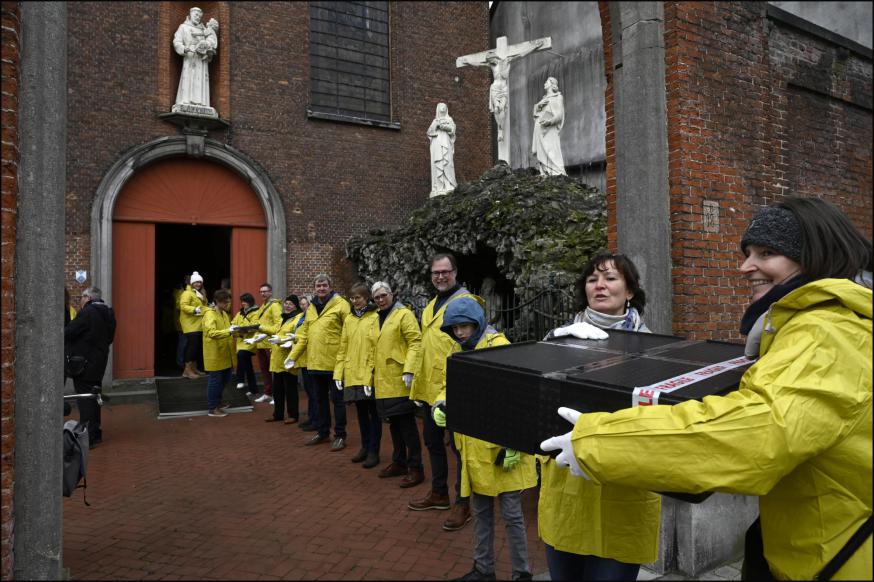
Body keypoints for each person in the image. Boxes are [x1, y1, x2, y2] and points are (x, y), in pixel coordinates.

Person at [542, 197, 873, 581]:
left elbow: (758, 433)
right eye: (747, 253)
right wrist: (551, 348)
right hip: (814, 537)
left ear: (816, 256)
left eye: (767, 253)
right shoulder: (821, 323)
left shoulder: (826, 330)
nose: (745, 266)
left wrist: (599, 440)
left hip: (837, 553)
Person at [539, 252, 657, 581]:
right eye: (592, 279)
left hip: (621, 489)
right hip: (568, 487)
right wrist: (551, 349)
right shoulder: (559, 337)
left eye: (610, 278)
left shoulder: (654, 348)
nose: (600, 286)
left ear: (630, 290)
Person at [434, 296, 536, 581]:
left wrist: (514, 443)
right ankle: (483, 569)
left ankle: (522, 574)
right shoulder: (459, 353)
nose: (459, 333)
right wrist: (440, 404)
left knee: (513, 515)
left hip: (502, 449)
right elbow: (448, 386)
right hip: (475, 448)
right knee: (480, 510)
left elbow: (517, 399)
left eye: (464, 326)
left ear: (476, 322)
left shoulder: (499, 348)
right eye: (454, 328)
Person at [408, 253, 477, 531]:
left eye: (445, 272)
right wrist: (414, 377)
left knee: (459, 448)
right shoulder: (430, 306)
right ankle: (439, 493)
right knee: (433, 443)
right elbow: (426, 346)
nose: (440, 276)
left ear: (455, 272)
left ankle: (463, 503)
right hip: (429, 388)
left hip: (453, 389)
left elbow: (472, 345)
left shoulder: (467, 303)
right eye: (436, 272)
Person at [286, 274, 351, 450]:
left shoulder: (341, 305)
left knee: (338, 401)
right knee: (319, 400)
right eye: (318, 286)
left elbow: (350, 331)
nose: (321, 288)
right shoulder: (312, 307)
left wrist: (347, 360)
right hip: (314, 363)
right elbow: (304, 334)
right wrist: (293, 356)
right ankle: (323, 432)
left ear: (330, 286)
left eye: (324, 285)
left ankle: (340, 435)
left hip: (334, 363)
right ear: (314, 288)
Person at [370, 281, 424, 484]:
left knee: (407, 425)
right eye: (377, 297)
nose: (381, 300)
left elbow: (415, 342)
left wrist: (410, 369)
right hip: (383, 380)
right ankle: (399, 461)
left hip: (400, 379)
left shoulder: (404, 315)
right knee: (393, 424)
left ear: (392, 295)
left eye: (384, 295)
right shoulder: (376, 318)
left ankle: (416, 467)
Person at [334, 282, 380, 467]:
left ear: (366, 297)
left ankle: (373, 451)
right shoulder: (349, 319)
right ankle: (365, 446)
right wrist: (339, 373)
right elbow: (343, 347)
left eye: (358, 298)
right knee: (361, 413)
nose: (354, 302)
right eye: (352, 298)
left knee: (374, 414)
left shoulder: (376, 317)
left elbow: (376, 346)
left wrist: (371, 372)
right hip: (353, 373)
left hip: (370, 373)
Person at [64, 286, 116, 448]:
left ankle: (88, 437)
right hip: (99, 363)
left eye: (81, 297)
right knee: (94, 397)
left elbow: (69, 332)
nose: (80, 300)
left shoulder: (87, 313)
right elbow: (109, 337)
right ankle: (95, 432)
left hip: (84, 364)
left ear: (88, 298)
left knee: (85, 399)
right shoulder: (109, 313)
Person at [262, 294, 303, 424]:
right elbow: (275, 330)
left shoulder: (298, 318)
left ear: (295, 306)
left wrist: (280, 340)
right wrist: (260, 328)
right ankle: (277, 414)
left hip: (288, 359)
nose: (287, 305)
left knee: (290, 389)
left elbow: (296, 336)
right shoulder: (283, 318)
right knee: (277, 389)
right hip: (277, 358)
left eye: (290, 304)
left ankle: (293, 415)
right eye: (286, 303)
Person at [172, 7, 217, 109]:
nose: (198, 17)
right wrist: (184, 49)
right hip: (190, 56)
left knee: (200, 79)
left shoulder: (204, 30)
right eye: (196, 15)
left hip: (201, 59)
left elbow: (211, 40)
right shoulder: (183, 27)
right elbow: (177, 41)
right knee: (188, 77)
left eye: (200, 16)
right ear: (191, 14)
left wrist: (206, 44)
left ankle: (202, 103)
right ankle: (185, 101)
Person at [202, 289, 236, 417]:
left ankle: (218, 400)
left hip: (225, 353)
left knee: (225, 378)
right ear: (217, 301)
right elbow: (211, 333)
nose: (227, 304)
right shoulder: (210, 315)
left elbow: (229, 329)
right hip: (215, 353)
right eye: (225, 302)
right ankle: (213, 407)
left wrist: (238, 331)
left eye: (228, 302)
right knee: (215, 380)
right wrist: (229, 331)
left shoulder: (224, 314)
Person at [252, 283, 282, 404]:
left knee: (274, 371)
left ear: (270, 292)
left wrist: (263, 330)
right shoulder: (262, 307)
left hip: (270, 343)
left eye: (265, 291)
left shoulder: (274, 306)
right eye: (261, 291)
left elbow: (278, 325)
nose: (263, 293)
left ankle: (277, 395)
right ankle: (267, 393)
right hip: (261, 343)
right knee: (264, 370)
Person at [532, 77, 566, 177]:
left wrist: (549, 122)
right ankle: (544, 171)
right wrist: (538, 106)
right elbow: (536, 114)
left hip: (550, 128)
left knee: (552, 149)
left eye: (546, 82)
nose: (544, 84)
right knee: (542, 152)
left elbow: (559, 115)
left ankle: (557, 172)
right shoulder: (543, 99)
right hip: (539, 128)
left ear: (552, 84)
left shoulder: (558, 97)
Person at [179, 271, 208, 379]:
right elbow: (183, 306)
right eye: (196, 282)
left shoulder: (200, 293)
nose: (198, 284)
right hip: (190, 324)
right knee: (191, 347)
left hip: (199, 324)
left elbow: (203, 307)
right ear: (191, 283)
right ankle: (187, 371)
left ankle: (194, 368)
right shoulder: (187, 293)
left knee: (196, 347)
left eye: (200, 282)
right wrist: (195, 309)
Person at [230, 292, 260, 395]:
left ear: (250, 302)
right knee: (248, 366)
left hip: (251, 342)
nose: (243, 303)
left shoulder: (256, 312)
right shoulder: (240, 313)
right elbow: (233, 323)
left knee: (241, 355)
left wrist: (243, 330)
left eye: (245, 301)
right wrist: (235, 329)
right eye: (242, 301)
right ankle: (253, 389)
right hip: (241, 341)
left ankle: (240, 380)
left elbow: (255, 326)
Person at [427, 102, 457, 197]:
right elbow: (429, 132)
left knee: (447, 163)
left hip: (446, 143)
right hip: (437, 144)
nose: (443, 109)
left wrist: (443, 127)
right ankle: (439, 187)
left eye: (444, 107)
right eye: (441, 108)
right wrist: (436, 127)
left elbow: (452, 130)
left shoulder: (449, 119)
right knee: (438, 164)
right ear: (438, 110)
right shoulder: (435, 121)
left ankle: (449, 185)